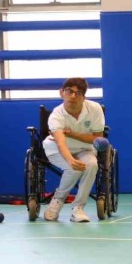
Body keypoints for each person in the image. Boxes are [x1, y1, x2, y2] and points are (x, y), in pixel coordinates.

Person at [42, 77, 106, 222]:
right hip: (56, 150)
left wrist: (72, 134)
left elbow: (97, 138)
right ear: (61, 93)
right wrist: (71, 160)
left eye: (78, 93)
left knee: (92, 164)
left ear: (84, 97)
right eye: (69, 91)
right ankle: (56, 202)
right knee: (74, 168)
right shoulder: (56, 115)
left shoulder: (95, 109)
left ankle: (78, 208)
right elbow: (60, 143)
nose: (73, 96)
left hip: (84, 149)